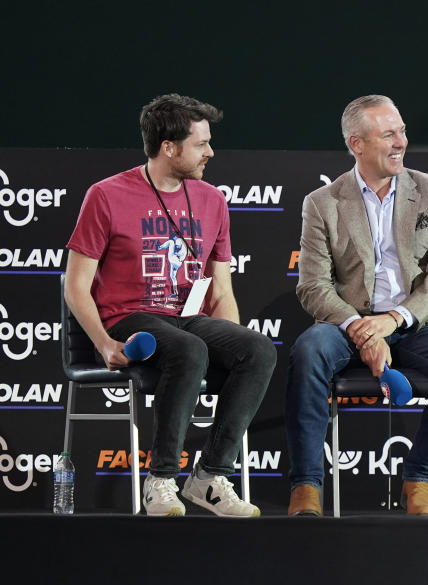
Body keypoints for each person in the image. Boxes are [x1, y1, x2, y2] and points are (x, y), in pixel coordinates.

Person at [64, 94, 276, 517]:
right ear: (170, 147)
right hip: (130, 318)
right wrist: (105, 343)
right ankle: (160, 480)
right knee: (188, 350)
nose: (210, 153)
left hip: (187, 318)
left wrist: (231, 339)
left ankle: (211, 477)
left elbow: (221, 290)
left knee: (258, 350)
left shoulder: (213, 200)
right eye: (201, 144)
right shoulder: (106, 195)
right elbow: (75, 285)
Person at [285, 95, 428, 517]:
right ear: (356, 143)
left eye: (403, 131)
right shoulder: (322, 202)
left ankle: (419, 477)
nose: (401, 142)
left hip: (419, 321)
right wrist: (360, 325)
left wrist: (393, 320)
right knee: (308, 351)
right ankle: (306, 486)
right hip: (347, 322)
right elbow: (313, 286)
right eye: (389, 134)